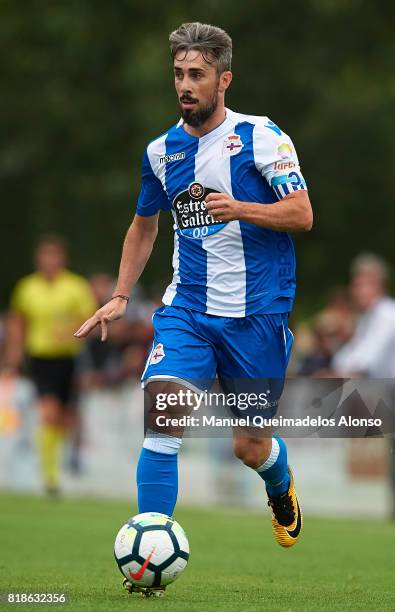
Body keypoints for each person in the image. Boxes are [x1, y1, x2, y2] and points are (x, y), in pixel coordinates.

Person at [75, 22, 313, 592]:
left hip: (257, 315)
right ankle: (147, 563)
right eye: (179, 74)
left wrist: (240, 209)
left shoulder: (262, 137)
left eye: (197, 75)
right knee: (163, 414)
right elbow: (143, 225)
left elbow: (302, 214)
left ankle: (279, 484)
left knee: (248, 445)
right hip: (188, 308)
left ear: (223, 80)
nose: (185, 85)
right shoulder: (161, 151)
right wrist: (120, 295)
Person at [9, 235, 96, 494]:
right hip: (41, 358)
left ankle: (60, 465)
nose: (50, 261)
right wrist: (15, 351)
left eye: (54, 255)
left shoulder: (76, 287)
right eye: (45, 255)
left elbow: (89, 318)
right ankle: (49, 477)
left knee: (66, 418)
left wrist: (71, 331)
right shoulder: (27, 288)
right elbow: (18, 320)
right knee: (49, 412)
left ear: (62, 258)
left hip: (69, 358)